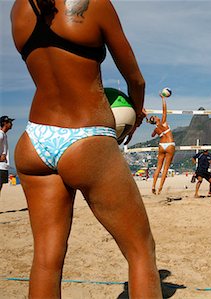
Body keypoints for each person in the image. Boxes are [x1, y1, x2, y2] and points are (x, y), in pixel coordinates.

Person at [11, 1, 162, 298]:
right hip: (85, 134)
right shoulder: (95, 5)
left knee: (46, 261)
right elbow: (135, 77)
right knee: (140, 251)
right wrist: (136, 112)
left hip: (34, 138)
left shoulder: (18, 9)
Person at [147, 93, 175, 195]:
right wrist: (163, 99)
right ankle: (160, 188)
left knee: (158, 167)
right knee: (165, 169)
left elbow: (152, 135)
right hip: (169, 144)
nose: (157, 116)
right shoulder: (162, 122)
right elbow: (164, 111)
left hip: (161, 146)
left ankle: (153, 185)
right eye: (155, 116)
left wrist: (147, 118)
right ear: (156, 120)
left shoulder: (156, 129)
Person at [0, 116, 14, 195]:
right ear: (4, 123)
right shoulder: (0, 135)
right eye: (10, 122)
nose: (11, 124)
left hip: (3, 166)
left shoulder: (4, 135)